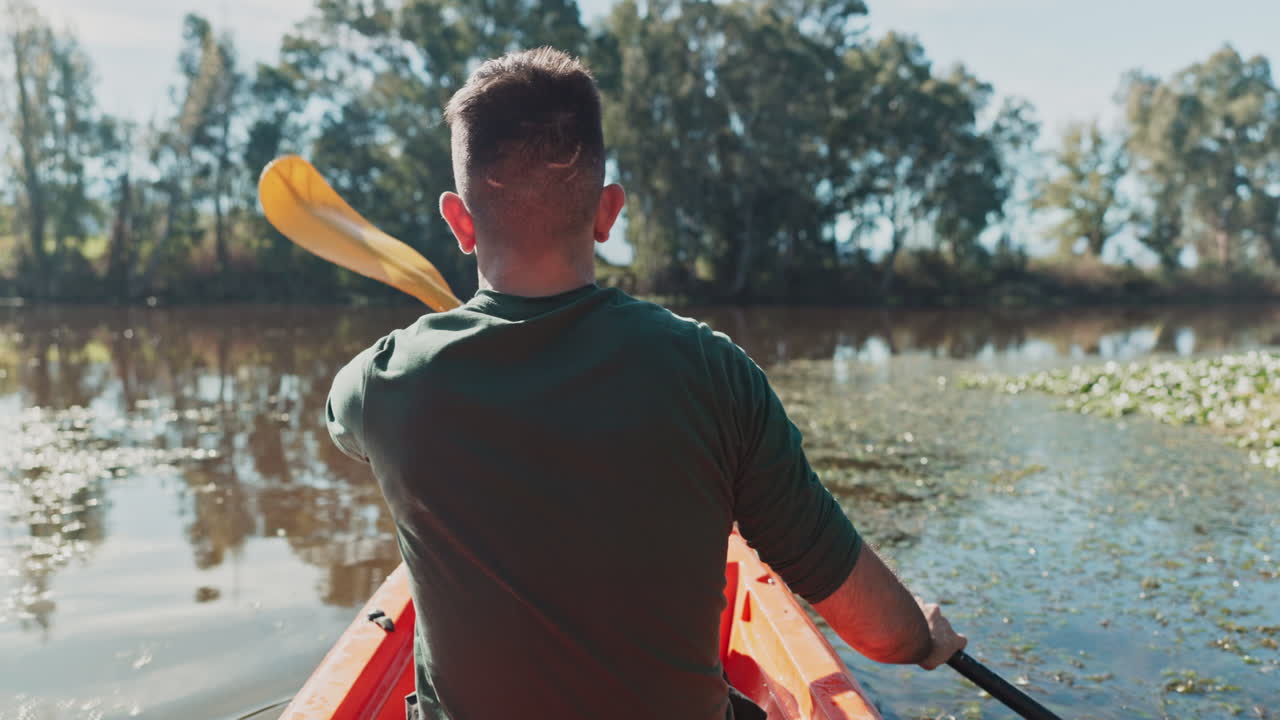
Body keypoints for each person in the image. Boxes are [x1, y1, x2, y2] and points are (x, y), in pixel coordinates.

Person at [326, 47, 966, 720]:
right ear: (608, 213)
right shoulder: (713, 373)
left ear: (459, 222)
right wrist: (920, 634)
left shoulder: (385, 383)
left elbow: (342, 422)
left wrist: (436, 347)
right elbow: (880, 632)